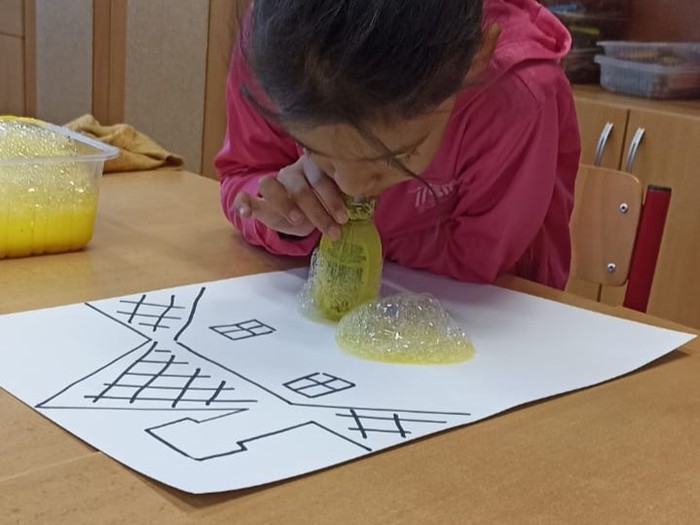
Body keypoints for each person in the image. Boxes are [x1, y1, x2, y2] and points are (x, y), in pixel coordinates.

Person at [215, 0, 580, 289]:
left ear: (475, 60)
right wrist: (283, 218)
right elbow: (244, 173)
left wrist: (353, 237)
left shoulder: (517, 96)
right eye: (314, 150)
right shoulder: (281, 46)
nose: (352, 187)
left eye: (397, 156)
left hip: (491, 327)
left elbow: (482, 261)